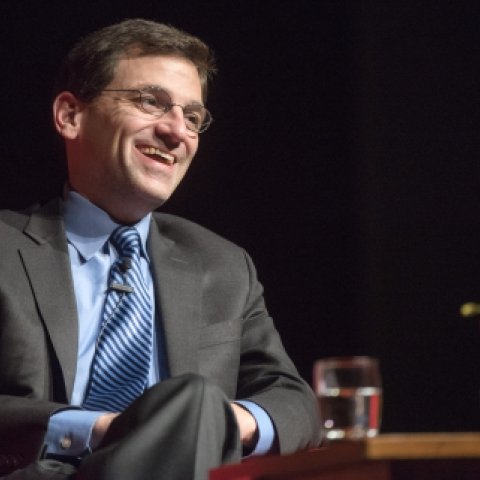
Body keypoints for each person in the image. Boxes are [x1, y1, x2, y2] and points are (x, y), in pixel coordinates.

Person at [0, 19, 321, 480]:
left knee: (195, 401)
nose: (177, 132)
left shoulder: (223, 265)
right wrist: (104, 429)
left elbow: (294, 402)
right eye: (151, 102)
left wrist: (217, 423)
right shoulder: (7, 249)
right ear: (70, 115)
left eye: (192, 117)